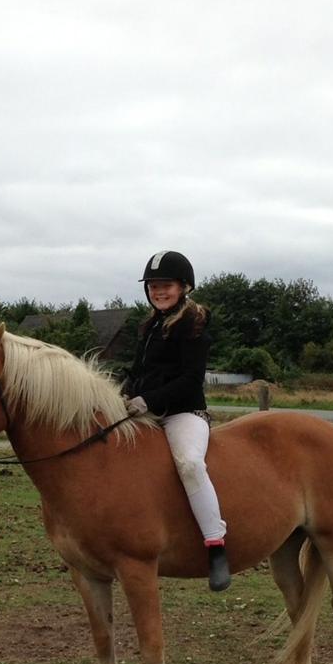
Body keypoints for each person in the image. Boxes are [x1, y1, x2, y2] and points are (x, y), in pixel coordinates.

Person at [121, 250, 231, 592]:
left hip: (184, 414)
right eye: (153, 286)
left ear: (183, 287)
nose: (158, 291)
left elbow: (189, 380)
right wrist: (122, 393)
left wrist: (148, 400)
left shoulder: (194, 328)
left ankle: (216, 547)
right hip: (146, 414)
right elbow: (139, 371)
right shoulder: (150, 326)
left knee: (189, 464)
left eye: (165, 285)